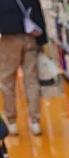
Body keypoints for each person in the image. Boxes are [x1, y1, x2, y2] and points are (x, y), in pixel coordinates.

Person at [0, 0, 46, 136]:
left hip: (8, 40)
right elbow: (38, 15)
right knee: (31, 80)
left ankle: (12, 122)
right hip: (30, 37)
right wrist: (42, 42)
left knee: (7, 81)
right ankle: (35, 122)